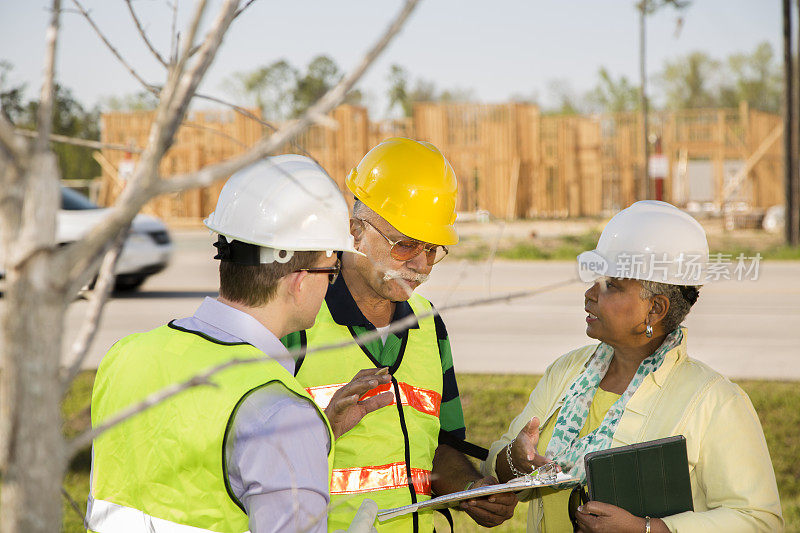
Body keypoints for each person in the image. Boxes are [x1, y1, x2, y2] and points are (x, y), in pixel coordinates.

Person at [86, 155, 394, 533]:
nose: (330, 284)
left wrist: (320, 432)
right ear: (299, 279)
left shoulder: (124, 356)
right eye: (330, 272)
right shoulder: (281, 414)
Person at [482, 200, 783, 533]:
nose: (589, 294)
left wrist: (649, 529)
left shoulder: (715, 401)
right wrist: (514, 458)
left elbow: (759, 521)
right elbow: (499, 466)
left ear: (654, 310)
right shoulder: (566, 372)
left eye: (612, 285)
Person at [283, 138, 517, 532]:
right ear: (355, 230)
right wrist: (324, 426)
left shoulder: (428, 324)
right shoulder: (298, 319)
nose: (421, 266)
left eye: (432, 249)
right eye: (405, 245)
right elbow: (247, 459)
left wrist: (470, 488)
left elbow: (442, 446)